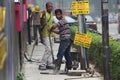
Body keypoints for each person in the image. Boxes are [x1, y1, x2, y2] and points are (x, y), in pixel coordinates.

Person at [50, 9, 72, 74]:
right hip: (67, 39)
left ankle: (57, 68)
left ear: (61, 14)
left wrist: (50, 29)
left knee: (60, 54)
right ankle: (69, 67)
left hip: (65, 39)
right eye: (57, 15)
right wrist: (52, 31)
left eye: (59, 14)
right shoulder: (61, 21)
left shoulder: (62, 20)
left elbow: (54, 26)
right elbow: (59, 32)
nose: (58, 16)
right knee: (67, 54)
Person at [39, 2, 55, 70]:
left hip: (51, 34)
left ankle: (49, 63)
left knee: (51, 50)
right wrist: (42, 16)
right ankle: (42, 64)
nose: (50, 8)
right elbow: (41, 23)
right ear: (46, 7)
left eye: (51, 6)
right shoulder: (44, 14)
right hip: (45, 34)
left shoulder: (51, 14)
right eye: (49, 6)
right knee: (48, 49)